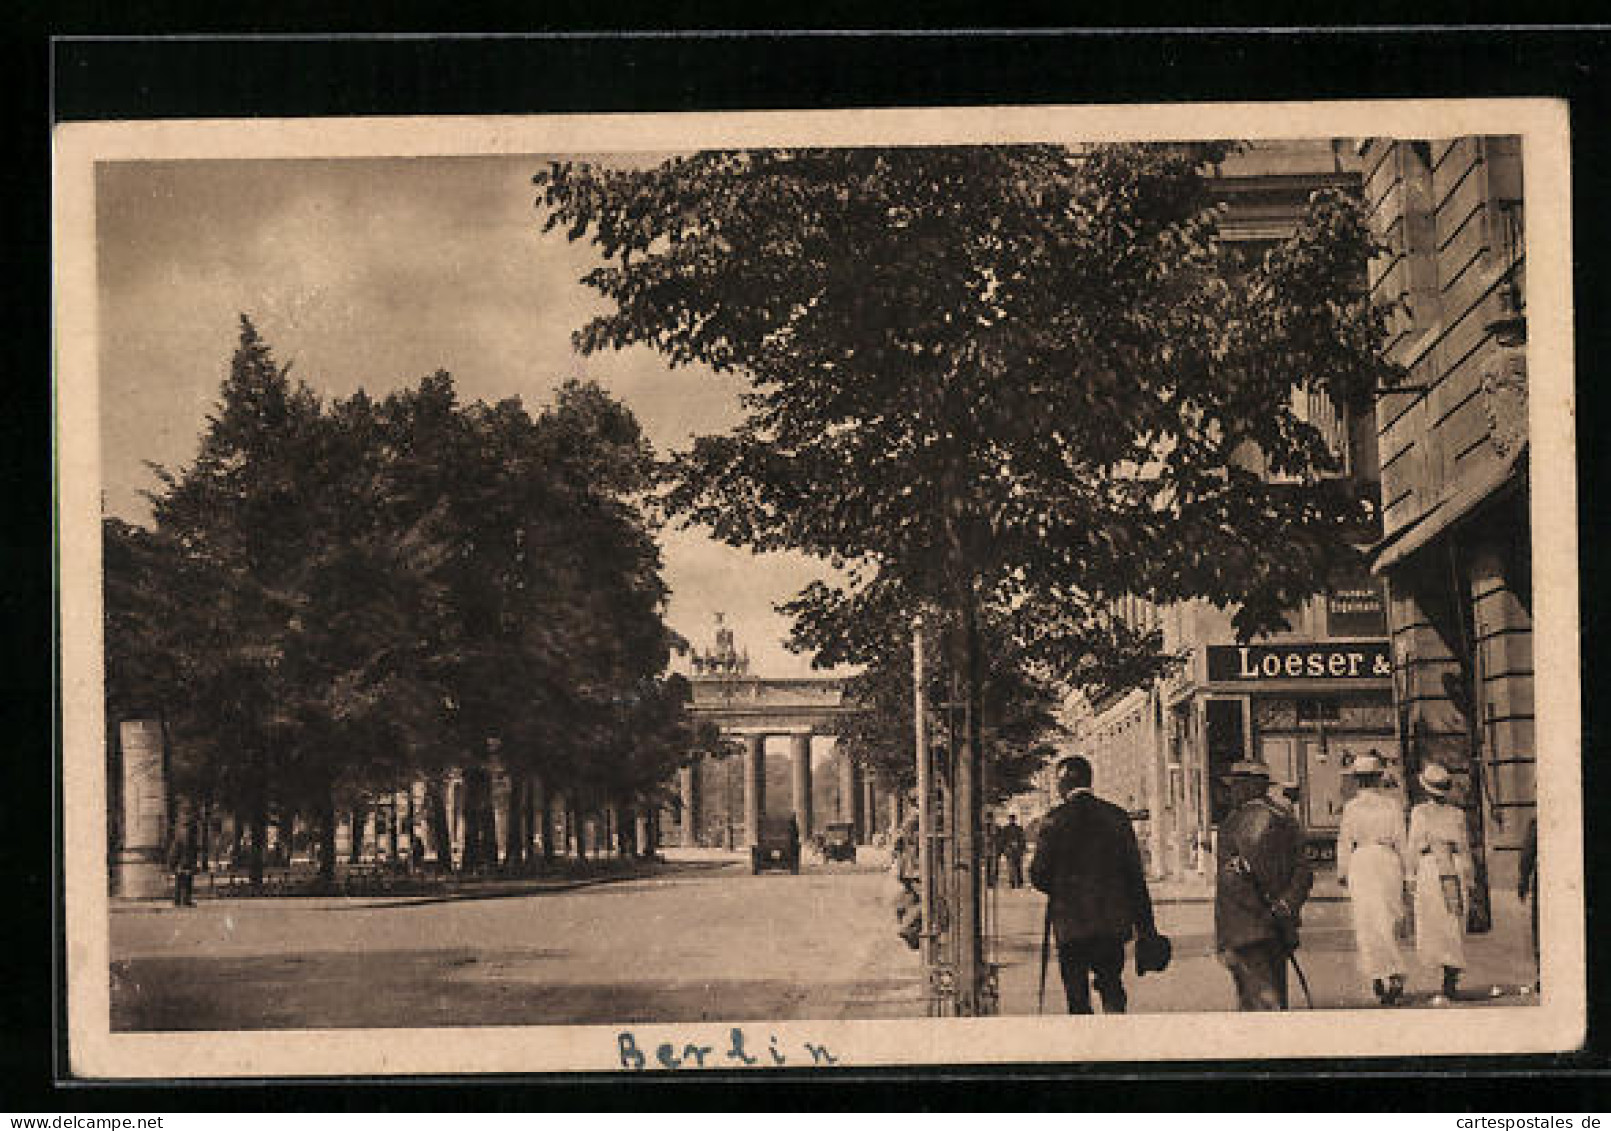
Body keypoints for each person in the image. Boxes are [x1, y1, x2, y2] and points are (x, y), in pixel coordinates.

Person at [1029, 755, 1159, 1014]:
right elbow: (1135, 876)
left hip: (1071, 924)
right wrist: (1147, 928)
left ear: (1062, 784)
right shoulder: (1117, 817)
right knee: (1111, 983)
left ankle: (1086, 1044)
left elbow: (1039, 874)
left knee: (1077, 995)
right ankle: (1114, 1035)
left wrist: (1060, 886)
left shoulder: (1054, 820)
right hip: (1112, 923)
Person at [1215, 760, 1314, 1010]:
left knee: (1255, 1004)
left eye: (1235, 785)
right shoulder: (1285, 818)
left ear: (1248, 786)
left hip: (1244, 927)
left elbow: (1231, 882)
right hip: (1278, 926)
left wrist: (1260, 913)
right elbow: (1303, 871)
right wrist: (1284, 906)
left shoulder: (1232, 824)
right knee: (1276, 994)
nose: (1232, 792)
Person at [1336, 751, 1408, 1005]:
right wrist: (1408, 873)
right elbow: (1401, 840)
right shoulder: (1392, 806)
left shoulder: (1352, 808)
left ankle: (1378, 973)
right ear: (1379, 778)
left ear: (1357, 780)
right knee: (1387, 917)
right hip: (1386, 860)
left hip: (1362, 862)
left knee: (1366, 921)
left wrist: (1343, 871)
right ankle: (1392, 973)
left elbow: (1345, 842)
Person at [1408, 762, 1474, 1004]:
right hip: (1452, 867)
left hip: (1430, 869)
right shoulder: (1457, 814)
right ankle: (1450, 974)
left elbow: (1413, 845)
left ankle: (1446, 973)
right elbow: (1464, 849)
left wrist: (1410, 875)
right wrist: (1469, 878)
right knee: (1451, 920)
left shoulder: (1419, 813)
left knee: (1435, 920)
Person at [1518, 816, 1539, 992]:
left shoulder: (1537, 822)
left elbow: (1527, 856)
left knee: (1541, 926)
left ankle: (1543, 975)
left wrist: (1523, 881)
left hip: (1545, 880)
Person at [1000, 814, 1028, 890]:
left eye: (1013, 819)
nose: (1012, 820)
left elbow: (1022, 839)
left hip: (1017, 850)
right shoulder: (1005, 829)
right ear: (1009, 820)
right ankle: (1012, 882)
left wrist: (1022, 848)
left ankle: (1019, 882)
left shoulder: (1019, 828)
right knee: (1011, 867)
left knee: (1018, 867)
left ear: (1014, 819)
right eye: (1010, 819)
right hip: (1010, 850)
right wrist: (1005, 848)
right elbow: (1003, 840)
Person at [982, 813, 1000, 888]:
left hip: (994, 849)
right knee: (988, 866)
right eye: (988, 819)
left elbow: (1000, 839)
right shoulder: (983, 828)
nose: (989, 820)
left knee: (994, 866)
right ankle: (988, 882)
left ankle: (994, 881)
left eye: (990, 819)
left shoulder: (996, 828)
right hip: (987, 850)